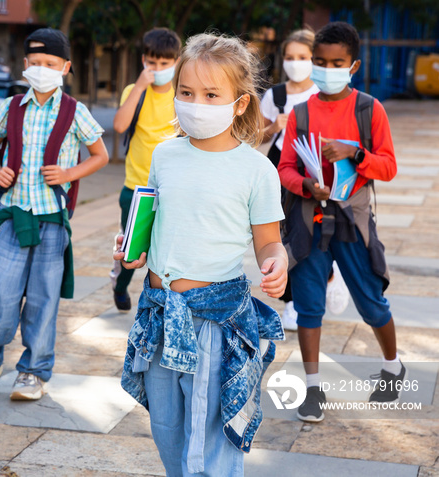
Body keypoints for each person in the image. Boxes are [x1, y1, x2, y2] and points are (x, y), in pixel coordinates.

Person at [115, 33, 287, 476]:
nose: (196, 103)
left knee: (210, 439)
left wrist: (276, 260)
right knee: (168, 430)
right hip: (158, 314)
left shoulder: (256, 170)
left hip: (214, 321)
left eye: (212, 94)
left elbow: (268, 240)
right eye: (187, 93)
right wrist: (133, 252)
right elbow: (151, 222)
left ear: (240, 103)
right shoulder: (164, 154)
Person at [0, 28, 109, 402]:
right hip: (11, 214)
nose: (42, 69)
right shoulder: (11, 107)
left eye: (50, 64)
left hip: (52, 220)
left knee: (42, 299)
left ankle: (34, 372)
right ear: (25, 65)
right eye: (35, 63)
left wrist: (69, 174)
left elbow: (100, 154)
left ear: (65, 67)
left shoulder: (75, 112)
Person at [278, 21, 405, 423]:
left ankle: (392, 365)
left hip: (353, 221)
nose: (326, 68)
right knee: (308, 306)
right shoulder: (300, 113)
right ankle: (313, 390)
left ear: (353, 66)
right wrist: (305, 185)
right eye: (320, 62)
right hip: (309, 221)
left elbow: (388, 167)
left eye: (336, 63)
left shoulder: (369, 109)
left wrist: (355, 152)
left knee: (371, 302)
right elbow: (283, 168)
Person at [260, 29, 350, 331]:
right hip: (282, 173)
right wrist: (274, 126)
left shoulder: (323, 94)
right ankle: (291, 303)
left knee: (320, 232)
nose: (295, 63)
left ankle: (330, 275)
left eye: (303, 57)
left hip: (319, 172)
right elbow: (252, 135)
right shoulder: (276, 96)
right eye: (289, 57)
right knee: (287, 236)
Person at [110, 27, 181, 312]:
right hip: (136, 186)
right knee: (133, 245)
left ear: (176, 63)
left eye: (165, 64)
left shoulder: (181, 94)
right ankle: (121, 285)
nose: (158, 69)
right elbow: (118, 125)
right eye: (152, 63)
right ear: (143, 61)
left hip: (172, 186)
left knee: (167, 246)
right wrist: (139, 86)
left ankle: (164, 298)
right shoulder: (133, 91)